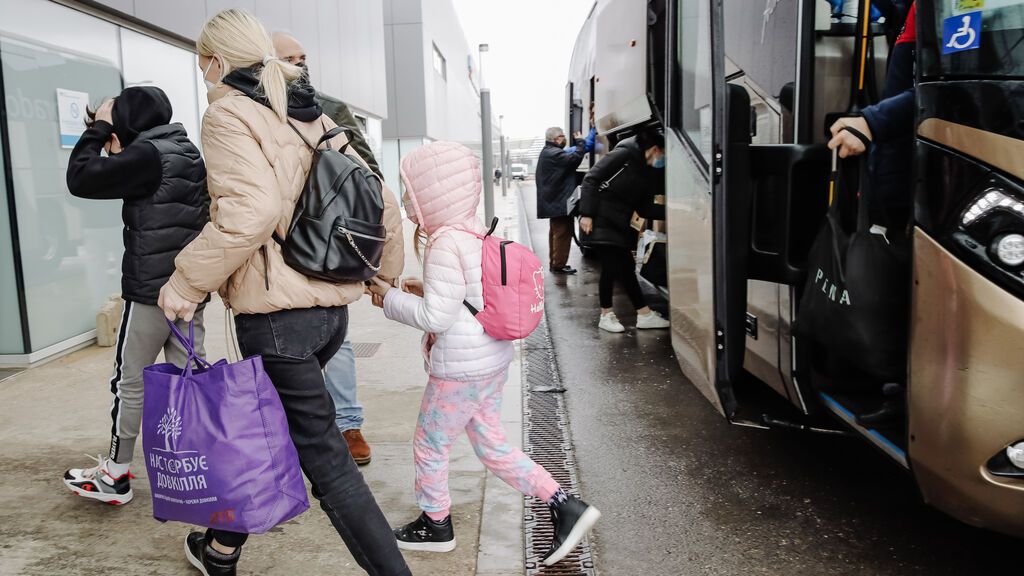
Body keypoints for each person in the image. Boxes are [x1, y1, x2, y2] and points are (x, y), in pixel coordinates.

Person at [157, 10, 409, 576]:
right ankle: (220, 548)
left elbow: (251, 212)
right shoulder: (311, 114)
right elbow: (379, 199)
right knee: (268, 428)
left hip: (278, 318)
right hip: (326, 314)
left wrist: (184, 281)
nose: (202, 74)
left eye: (202, 62)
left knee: (327, 464)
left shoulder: (227, 114)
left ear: (215, 60)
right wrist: (379, 272)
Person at [365, 141, 600, 567]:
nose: (407, 200)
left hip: (460, 370)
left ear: (431, 194)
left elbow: (437, 316)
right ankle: (564, 503)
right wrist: (412, 288)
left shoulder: (443, 242)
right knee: (492, 445)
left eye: (411, 191)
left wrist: (388, 299)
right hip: (492, 360)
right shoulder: (475, 232)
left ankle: (436, 525)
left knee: (429, 444)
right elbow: (463, 296)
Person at [62, 86, 208, 506]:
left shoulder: (148, 156)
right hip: (188, 292)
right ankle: (198, 470)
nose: (110, 145)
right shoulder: (185, 150)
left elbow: (81, 178)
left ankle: (115, 474)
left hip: (150, 294)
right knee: (188, 382)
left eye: (111, 132)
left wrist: (103, 126)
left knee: (130, 383)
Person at [272, 30, 375, 465]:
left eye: (303, 57)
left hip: (326, 240)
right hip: (276, 244)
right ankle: (299, 428)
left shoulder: (330, 108)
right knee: (282, 341)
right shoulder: (253, 111)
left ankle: (348, 424)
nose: (300, 66)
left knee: (337, 335)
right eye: (289, 58)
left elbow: (369, 173)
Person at [828, 1, 915, 426]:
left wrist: (872, 122)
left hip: (923, 181)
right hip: (895, 181)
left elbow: (943, 89)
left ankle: (907, 398)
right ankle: (896, 391)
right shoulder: (911, 13)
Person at [579, 129, 670, 333]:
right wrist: (587, 213)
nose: (663, 160)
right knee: (612, 267)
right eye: (663, 155)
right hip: (599, 219)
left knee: (626, 268)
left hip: (619, 224)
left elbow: (645, 208)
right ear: (655, 149)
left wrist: (673, 211)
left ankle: (644, 314)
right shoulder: (624, 154)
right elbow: (591, 179)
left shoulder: (647, 172)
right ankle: (606, 315)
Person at [535, 126, 595, 275]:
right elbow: (575, 158)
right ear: (556, 139)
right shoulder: (555, 154)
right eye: (562, 136)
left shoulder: (549, 152)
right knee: (562, 233)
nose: (564, 139)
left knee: (556, 233)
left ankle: (555, 263)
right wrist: (580, 142)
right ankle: (558, 266)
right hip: (559, 202)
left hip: (555, 201)